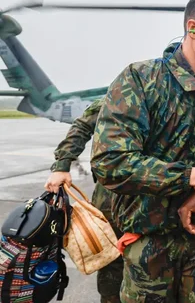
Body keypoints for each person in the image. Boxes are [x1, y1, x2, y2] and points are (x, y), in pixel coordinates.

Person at [90, 0, 195, 303]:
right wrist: (189, 177)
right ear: (193, 28)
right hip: (150, 246)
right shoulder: (140, 80)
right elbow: (110, 161)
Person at [44, 98, 123, 303]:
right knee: (110, 255)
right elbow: (83, 124)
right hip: (114, 194)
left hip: (160, 194)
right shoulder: (126, 89)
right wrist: (61, 164)